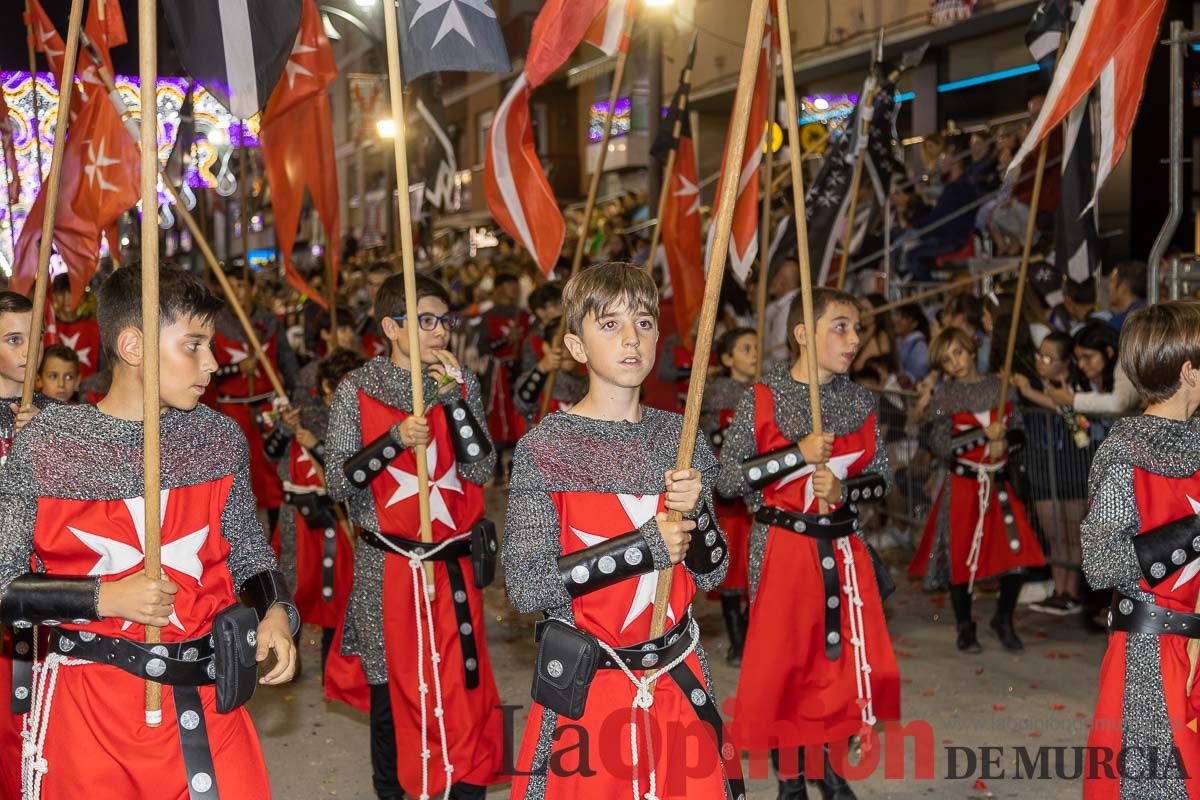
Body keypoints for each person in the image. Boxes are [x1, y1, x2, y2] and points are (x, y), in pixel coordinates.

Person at [0, 264, 298, 798]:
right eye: (194, 345)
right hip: (90, 711)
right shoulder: (47, 444)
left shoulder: (217, 438)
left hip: (206, 701)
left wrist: (275, 611)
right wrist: (104, 597)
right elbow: (4, 586)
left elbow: (249, 552)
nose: (212, 362)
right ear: (133, 345)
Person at [503, 263, 741, 799]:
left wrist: (697, 513)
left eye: (644, 321)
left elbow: (712, 572)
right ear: (576, 346)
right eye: (609, 324)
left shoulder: (679, 436)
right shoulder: (546, 448)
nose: (632, 338)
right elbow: (526, 585)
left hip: (677, 679)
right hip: (591, 689)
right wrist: (643, 548)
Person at [325, 273, 504, 800]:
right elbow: (338, 479)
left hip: (451, 566)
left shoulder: (457, 381)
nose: (438, 332)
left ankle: (463, 785)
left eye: (443, 320)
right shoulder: (357, 389)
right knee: (392, 694)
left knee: (461, 686)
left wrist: (455, 401)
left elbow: (481, 471)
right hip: (389, 567)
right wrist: (393, 440)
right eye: (425, 320)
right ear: (391, 327)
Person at [719, 287, 900, 799]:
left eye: (858, 328)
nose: (855, 338)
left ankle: (827, 768)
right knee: (787, 665)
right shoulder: (762, 396)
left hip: (841, 547)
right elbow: (729, 480)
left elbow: (881, 478)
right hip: (782, 546)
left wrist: (845, 488)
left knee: (835, 661)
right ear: (803, 334)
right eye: (841, 326)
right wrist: (794, 455)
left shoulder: (860, 400)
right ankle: (791, 780)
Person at [1080, 301, 1200, 798]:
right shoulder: (1123, 450)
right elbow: (1100, 560)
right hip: (1148, 655)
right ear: (1191, 372)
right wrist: (1192, 532)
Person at [909, 327, 1046, 653]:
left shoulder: (1001, 388)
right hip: (962, 487)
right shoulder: (945, 396)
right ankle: (965, 627)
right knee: (961, 561)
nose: (954, 363)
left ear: (971, 349)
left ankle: (1003, 618)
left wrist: (1005, 441)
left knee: (1016, 556)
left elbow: (1018, 433)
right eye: (946, 360)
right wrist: (984, 434)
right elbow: (940, 443)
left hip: (997, 485)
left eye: (957, 353)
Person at [272, 348, 364, 672]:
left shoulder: (358, 421)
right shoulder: (303, 413)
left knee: (335, 595)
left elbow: (352, 471)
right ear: (326, 385)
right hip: (296, 519)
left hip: (335, 517)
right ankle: (288, 663)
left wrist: (316, 445)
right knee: (294, 590)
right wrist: (285, 430)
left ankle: (332, 668)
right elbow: (272, 455)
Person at [208, 268, 299, 521]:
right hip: (233, 411)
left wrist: (293, 399)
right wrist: (237, 368)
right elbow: (207, 373)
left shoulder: (269, 322)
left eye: (240, 285)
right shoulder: (215, 325)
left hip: (267, 409)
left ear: (253, 289)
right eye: (230, 287)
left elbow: (287, 362)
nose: (235, 292)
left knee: (271, 476)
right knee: (236, 475)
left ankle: (276, 537)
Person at [1012, 332, 1092, 616]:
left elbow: (1076, 414)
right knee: (1054, 533)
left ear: (1066, 361)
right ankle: (1058, 589)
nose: (1041, 362)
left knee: (1072, 533)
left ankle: (1073, 590)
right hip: (1044, 468)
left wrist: (1033, 393)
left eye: (1049, 358)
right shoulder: (1031, 383)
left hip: (1074, 466)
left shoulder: (1079, 385)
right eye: (1038, 355)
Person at [702, 326, 757, 666]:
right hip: (729, 493)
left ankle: (752, 634)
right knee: (733, 566)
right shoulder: (717, 394)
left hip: (759, 490)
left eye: (756, 347)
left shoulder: (764, 390)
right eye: (746, 348)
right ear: (727, 358)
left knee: (757, 563)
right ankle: (738, 641)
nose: (754, 354)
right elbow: (709, 441)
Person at [477, 271, 529, 475]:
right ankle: (496, 460)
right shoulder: (489, 316)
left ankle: (517, 460)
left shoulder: (525, 315)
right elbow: (484, 348)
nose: (514, 290)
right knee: (498, 415)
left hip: (522, 370)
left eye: (516, 285)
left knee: (520, 414)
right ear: (499, 289)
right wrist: (506, 341)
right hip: (498, 373)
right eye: (509, 285)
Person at [1045, 322, 1140, 417]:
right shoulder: (1085, 376)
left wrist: (1072, 400)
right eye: (1078, 358)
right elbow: (1063, 404)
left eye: (1087, 356)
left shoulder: (1125, 364)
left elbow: (1118, 404)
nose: (1081, 364)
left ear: (1109, 352)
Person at [50, 273, 101, 381]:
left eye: (72, 292)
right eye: (61, 293)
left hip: (87, 393)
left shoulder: (95, 328)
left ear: (82, 296)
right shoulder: (48, 329)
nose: (67, 298)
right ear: (53, 295)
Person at [893, 303, 931, 383]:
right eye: (897, 315)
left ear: (914, 324)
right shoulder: (900, 342)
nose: (897, 320)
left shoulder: (919, 346)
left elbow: (918, 374)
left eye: (904, 318)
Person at [1106, 260, 1148, 332]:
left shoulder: (1119, 323)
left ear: (1123, 286)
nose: (1108, 287)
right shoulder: (1154, 310)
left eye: (1112, 281)